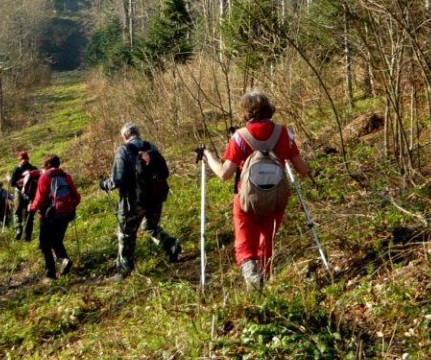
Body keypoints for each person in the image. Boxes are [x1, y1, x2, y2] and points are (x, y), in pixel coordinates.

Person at [202, 91, 310, 290]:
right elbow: (303, 170)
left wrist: (208, 157)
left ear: (245, 111)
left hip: (246, 199)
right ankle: (264, 282)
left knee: (244, 241)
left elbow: (225, 174)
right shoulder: (285, 133)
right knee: (266, 242)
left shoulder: (239, 137)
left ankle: (251, 275)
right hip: (277, 199)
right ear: (268, 107)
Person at [100, 122, 181, 280]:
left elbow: (118, 179)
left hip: (133, 202)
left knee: (126, 235)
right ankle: (171, 245)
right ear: (138, 133)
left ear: (124, 136)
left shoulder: (123, 150)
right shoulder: (150, 146)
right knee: (149, 225)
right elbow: (165, 172)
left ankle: (123, 271)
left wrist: (104, 184)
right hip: (155, 198)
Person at [28, 154, 81, 281]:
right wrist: (69, 206)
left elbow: (40, 198)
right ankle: (64, 260)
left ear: (47, 165)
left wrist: (32, 208)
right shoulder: (66, 176)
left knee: (45, 244)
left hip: (49, 215)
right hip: (66, 214)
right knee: (57, 241)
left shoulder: (45, 177)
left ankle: (50, 274)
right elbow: (77, 197)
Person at [9, 151, 37, 241]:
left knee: (17, 212)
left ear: (19, 160)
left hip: (19, 193)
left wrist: (10, 180)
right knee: (28, 214)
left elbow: (12, 184)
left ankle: (18, 230)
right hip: (30, 194)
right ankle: (27, 236)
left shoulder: (16, 169)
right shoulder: (33, 168)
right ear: (28, 159)